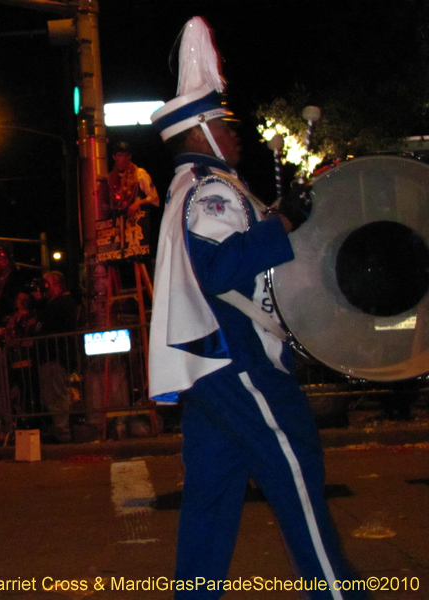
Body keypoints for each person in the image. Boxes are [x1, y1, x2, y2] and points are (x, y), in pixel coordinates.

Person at [148, 17, 361, 599]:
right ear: (200, 132)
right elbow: (220, 268)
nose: (233, 133)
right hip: (239, 360)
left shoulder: (194, 188)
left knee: (212, 504)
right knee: (295, 474)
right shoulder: (212, 189)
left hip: (211, 371)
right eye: (223, 123)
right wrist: (287, 220)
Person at [33, 271, 79, 442]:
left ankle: (63, 432)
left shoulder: (63, 302)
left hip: (56, 355)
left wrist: (39, 302)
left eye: (47, 283)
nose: (44, 287)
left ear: (57, 284)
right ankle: (58, 429)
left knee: (57, 395)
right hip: (49, 356)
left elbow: (47, 322)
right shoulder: (52, 303)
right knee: (50, 396)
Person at [103, 141, 159, 220]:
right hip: (117, 221)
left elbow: (154, 198)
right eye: (120, 155)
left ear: (130, 156)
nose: (123, 159)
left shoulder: (139, 173)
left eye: (126, 155)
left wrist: (137, 203)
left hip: (136, 221)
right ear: (114, 157)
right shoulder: (110, 177)